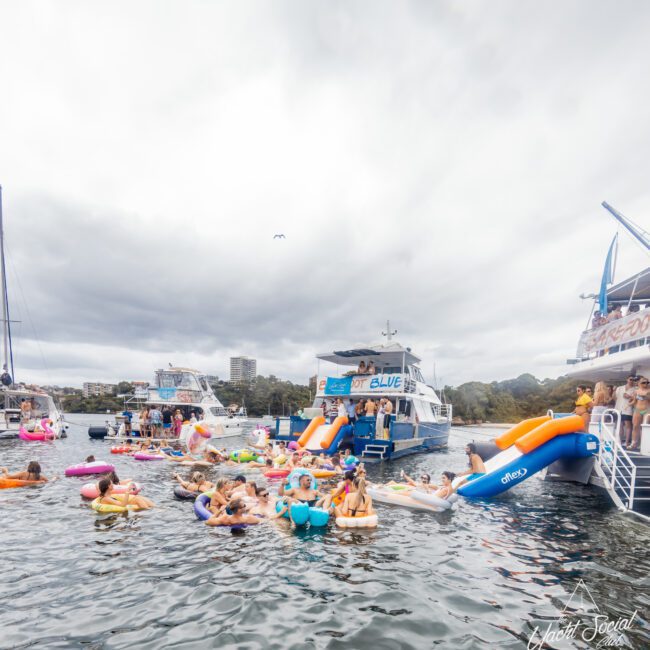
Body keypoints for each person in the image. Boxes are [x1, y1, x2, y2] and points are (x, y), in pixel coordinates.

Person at [615, 376, 636, 447]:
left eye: (633, 380)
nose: (632, 381)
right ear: (627, 379)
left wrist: (630, 397)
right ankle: (619, 441)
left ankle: (627, 442)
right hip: (618, 409)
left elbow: (636, 399)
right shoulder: (619, 388)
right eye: (630, 379)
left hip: (628, 409)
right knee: (620, 425)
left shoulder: (635, 389)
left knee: (628, 425)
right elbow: (615, 397)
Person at [630, 377, 649, 451]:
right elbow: (634, 401)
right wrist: (629, 404)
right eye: (643, 382)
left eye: (647, 382)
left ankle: (644, 444)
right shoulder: (636, 391)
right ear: (639, 383)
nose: (646, 384)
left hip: (647, 410)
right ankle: (634, 443)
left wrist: (646, 396)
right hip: (637, 409)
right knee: (635, 426)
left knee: (644, 427)